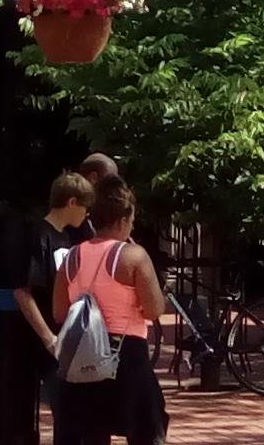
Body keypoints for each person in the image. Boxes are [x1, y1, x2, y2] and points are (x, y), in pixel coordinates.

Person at [50, 178, 169, 445]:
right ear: (123, 219)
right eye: (132, 219)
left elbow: (59, 313)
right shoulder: (134, 256)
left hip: (81, 354)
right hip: (125, 354)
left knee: (89, 433)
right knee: (147, 430)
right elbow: (154, 310)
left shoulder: (71, 257)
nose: (133, 225)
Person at [15, 176, 97, 413]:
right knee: (64, 408)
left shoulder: (73, 236)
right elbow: (23, 291)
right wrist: (48, 338)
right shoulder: (39, 235)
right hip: (49, 339)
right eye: (85, 208)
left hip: (71, 338)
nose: (87, 215)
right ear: (72, 202)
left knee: (76, 408)